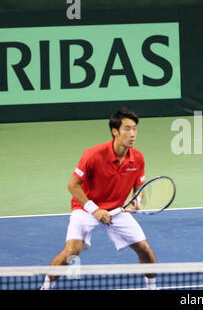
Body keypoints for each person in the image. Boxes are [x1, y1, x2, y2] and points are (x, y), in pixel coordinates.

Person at [41, 108, 157, 290]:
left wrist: (137, 201)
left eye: (135, 129)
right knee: (72, 251)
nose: (132, 134)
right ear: (115, 131)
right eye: (127, 129)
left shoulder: (138, 158)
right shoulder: (93, 155)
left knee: (145, 249)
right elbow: (72, 185)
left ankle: (152, 287)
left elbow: (139, 187)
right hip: (86, 208)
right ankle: (45, 287)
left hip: (118, 210)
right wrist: (94, 209)